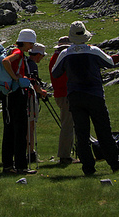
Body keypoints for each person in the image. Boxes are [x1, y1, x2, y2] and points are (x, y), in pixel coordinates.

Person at [52, 21, 119, 176]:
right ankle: (115, 164)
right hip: (94, 94)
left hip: (75, 95)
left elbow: (55, 72)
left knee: (81, 133)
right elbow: (110, 63)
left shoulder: (65, 53)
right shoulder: (94, 51)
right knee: (103, 130)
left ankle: (88, 167)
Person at [0, 29, 38, 174]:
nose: (31, 47)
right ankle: (21, 165)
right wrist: (16, 78)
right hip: (17, 94)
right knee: (20, 130)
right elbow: (6, 62)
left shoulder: (13, 51)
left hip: (8, 95)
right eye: (31, 44)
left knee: (9, 130)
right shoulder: (18, 53)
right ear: (26, 41)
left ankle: (8, 165)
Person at [48, 36, 75, 164]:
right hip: (66, 94)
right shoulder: (61, 59)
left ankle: (69, 153)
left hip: (61, 94)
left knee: (69, 124)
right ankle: (64, 155)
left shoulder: (55, 58)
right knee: (68, 125)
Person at [25, 43, 49, 163]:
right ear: (38, 55)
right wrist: (41, 91)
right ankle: (31, 152)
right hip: (29, 98)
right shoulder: (32, 64)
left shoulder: (24, 62)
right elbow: (33, 82)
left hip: (22, 97)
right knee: (31, 125)